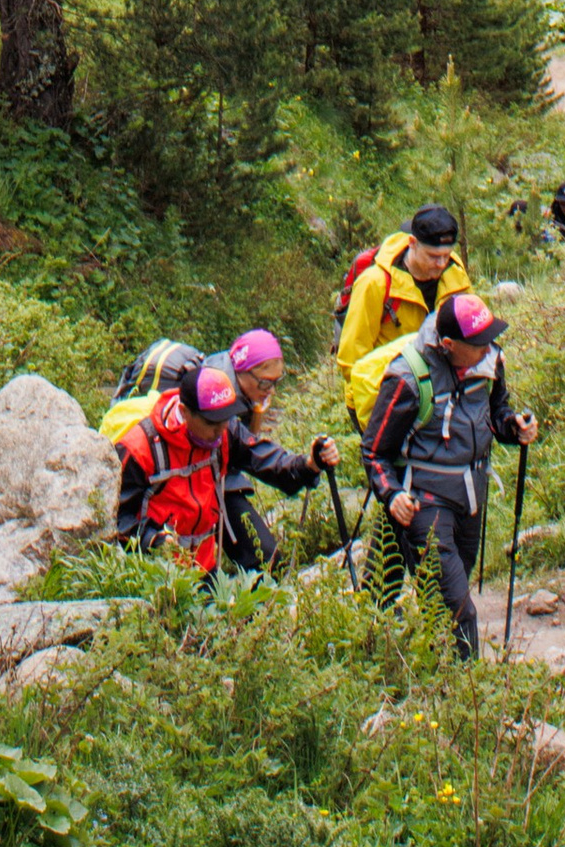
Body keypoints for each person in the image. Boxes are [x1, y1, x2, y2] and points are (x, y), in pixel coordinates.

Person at [358, 289, 537, 662]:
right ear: (448, 344)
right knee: (458, 608)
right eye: (479, 343)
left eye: (490, 337)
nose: (489, 348)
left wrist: (513, 427)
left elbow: (494, 412)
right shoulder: (408, 378)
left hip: (470, 496)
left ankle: (422, 667)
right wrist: (391, 495)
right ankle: (465, 693)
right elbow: (374, 451)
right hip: (425, 500)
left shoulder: (490, 360)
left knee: (446, 595)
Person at [221, 326, 342, 572]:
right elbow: (254, 455)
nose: (272, 391)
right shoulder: (219, 401)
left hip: (220, 478)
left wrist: (310, 465)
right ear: (242, 371)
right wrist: (305, 467)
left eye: (278, 382)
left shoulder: (242, 388)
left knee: (267, 559)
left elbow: (250, 447)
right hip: (196, 482)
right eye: (267, 383)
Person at [332, 203, 470, 416]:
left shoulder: (454, 271)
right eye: (433, 256)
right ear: (412, 243)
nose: (441, 263)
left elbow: (471, 328)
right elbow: (352, 359)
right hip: (386, 397)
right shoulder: (375, 283)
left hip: (435, 394)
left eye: (447, 255)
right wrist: (375, 409)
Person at [112, 350, 242, 570]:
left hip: (204, 569)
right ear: (184, 412)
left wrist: (308, 464)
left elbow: (264, 457)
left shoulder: (221, 433)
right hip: (156, 573)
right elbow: (116, 517)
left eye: (225, 420)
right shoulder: (138, 448)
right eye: (212, 423)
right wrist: (153, 540)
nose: (221, 431)